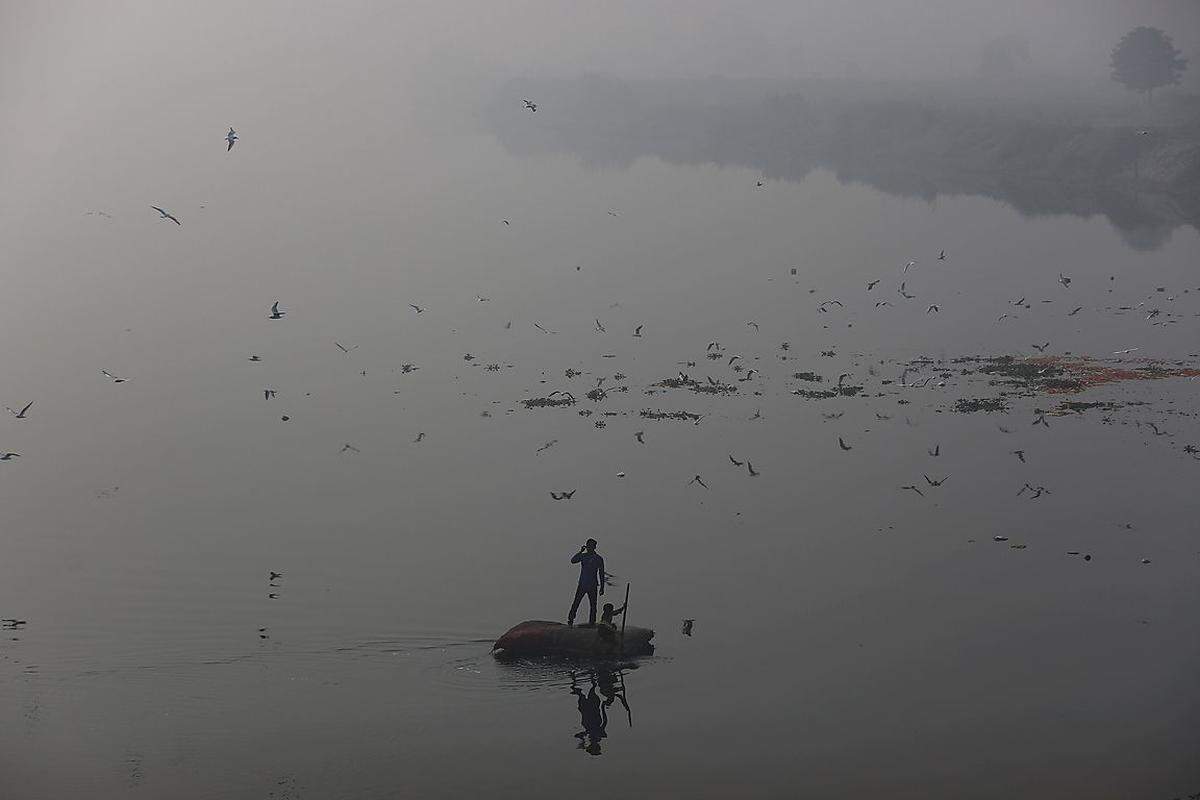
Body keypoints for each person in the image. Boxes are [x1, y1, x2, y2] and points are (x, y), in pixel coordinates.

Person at [567, 538, 605, 626]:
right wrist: (580, 551)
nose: (589, 548)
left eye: (591, 546)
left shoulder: (598, 558)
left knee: (593, 605)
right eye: (588, 546)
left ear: (594, 547)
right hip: (582, 584)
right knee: (576, 602)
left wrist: (602, 587)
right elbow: (573, 560)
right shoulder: (583, 556)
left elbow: (601, 573)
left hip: (593, 585)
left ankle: (592, 622)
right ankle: (571, 619)